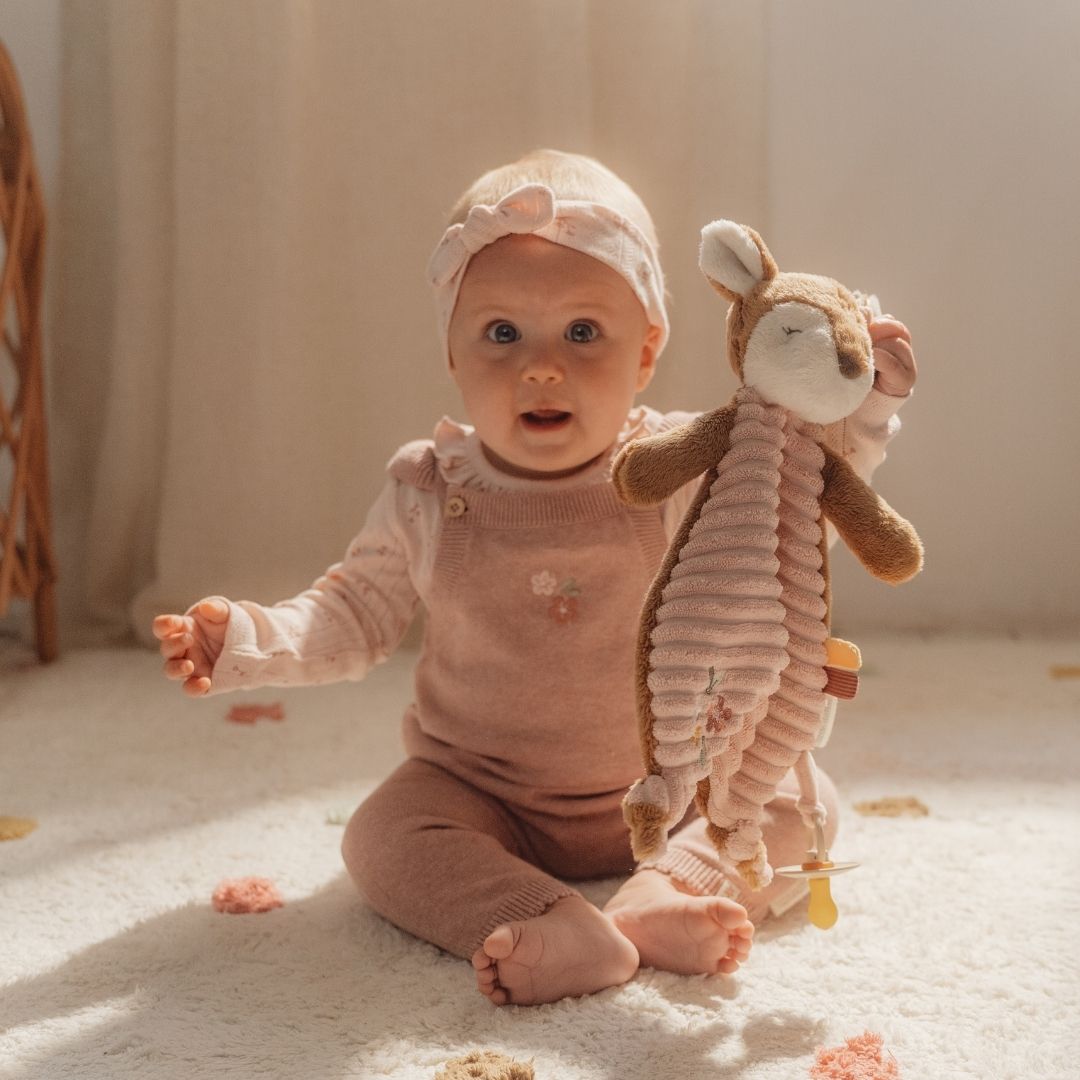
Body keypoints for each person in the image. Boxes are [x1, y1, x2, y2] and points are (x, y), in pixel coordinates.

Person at [153, 149, 917, 1007]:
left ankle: (666, 888)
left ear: (645, 353)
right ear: (452, 354)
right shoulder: (430, 489)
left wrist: (868, 410)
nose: (542, 366)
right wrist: (250, 638)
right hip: (483, 792)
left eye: (582, 333)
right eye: (501, 334)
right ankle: (544, 917)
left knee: (800, 803)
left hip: (675, 781)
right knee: (381, 835)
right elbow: (353, 610)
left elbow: (793, 515)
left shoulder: (679, 465)